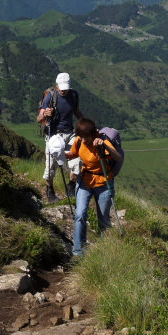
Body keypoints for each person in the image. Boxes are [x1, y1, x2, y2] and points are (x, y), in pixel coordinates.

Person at [64, 117, 122, 257]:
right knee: (80, 214)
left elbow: (117, 157)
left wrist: (104, 146)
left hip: (103, 182)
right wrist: (61, 155)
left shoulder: (102, 141)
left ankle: (105, 249)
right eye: (80, 136)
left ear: (92, 134)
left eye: (85, 137)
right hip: (84, 181)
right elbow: (74, 153)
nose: (83, 140)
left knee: (103, 219)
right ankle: (78, 251)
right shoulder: (79, 141)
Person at [37, 73, 84, 203]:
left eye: (66, 88)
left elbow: (76, 111)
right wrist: (45, 114)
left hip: (70, 133)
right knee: (51, 165)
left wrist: (87, 124)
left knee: (77, 160)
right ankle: (49, 190)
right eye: (61, 88)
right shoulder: (50, 96)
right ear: (56, 85)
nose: (63, 90)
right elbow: (39, 118)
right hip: (53, 135)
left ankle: (70, 187)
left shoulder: (73, 95)